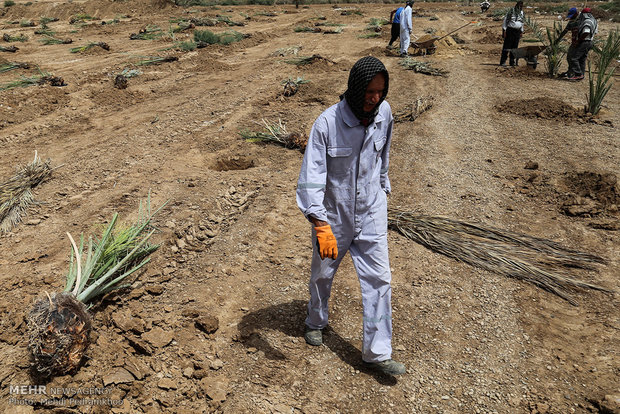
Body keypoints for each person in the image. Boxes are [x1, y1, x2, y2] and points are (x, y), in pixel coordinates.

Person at [296, 56, 405, 376]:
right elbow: (312, 176)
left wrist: (383, 188)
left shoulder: (384, 114)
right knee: (322, 273)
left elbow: (383, 157)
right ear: (356, 88)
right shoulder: (327, 124)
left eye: (381, 92)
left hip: (371, 212)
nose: (375, 98)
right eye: (370, 91)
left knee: (380, 280)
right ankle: (316, 320)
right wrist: (319, 222)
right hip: (334, 216)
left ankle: (378, 352)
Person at [556, 7, 598, 80]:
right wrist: (557, 40)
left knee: (573, 58)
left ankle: (578, 73)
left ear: (577, 14)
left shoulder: (585, 21)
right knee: (579, 58)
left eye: (573, 16)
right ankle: (575, 73)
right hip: (580, 41)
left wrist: (578, 41)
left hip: (582, 41)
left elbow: (586, 32)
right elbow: (565, 31)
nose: (571, 17)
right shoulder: (591, 21)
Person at [500, 0, 525, 67]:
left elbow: (522, 22)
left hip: (517, 31)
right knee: (507, 46)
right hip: (510, 31)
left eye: (521, 6)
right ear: (516, 5)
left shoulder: (522, 13)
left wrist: (521, 31)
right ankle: (503, 61)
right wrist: (504, 31)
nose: (520, 7)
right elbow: (505, 21)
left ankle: (512, 62)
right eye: (519, 6)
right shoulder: (511, 11)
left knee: (514, 47)